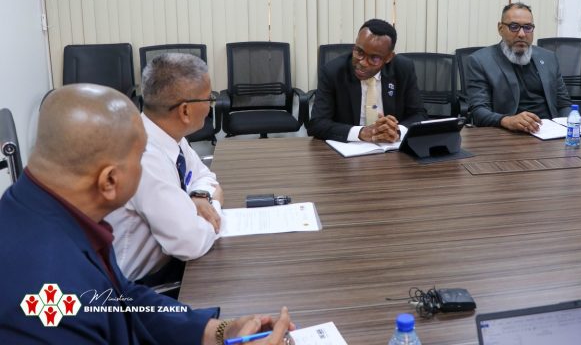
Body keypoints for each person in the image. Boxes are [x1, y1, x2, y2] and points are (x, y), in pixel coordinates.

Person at [0, 84, 293, 344]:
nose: (148, 164)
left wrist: (217, 331)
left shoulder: (48, 208)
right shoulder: (47, 288)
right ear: (110, 180)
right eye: (141, 157)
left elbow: (122, 299)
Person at [106, 53, 223, 285]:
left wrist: (200, 197)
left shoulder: (165, 134)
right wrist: (215, 207)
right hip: (137, 287)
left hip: (170, 259)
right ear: (185, 111)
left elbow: (204, 176)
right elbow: (190, 243)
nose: (211, 105)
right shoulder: (143, 158)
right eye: (209, 98)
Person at [307, 18, 428, 142]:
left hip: (390, 147)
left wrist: (397, 131)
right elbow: (317, 124)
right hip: (349, 147)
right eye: (359, 52)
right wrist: (360, 132)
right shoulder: (333, 71)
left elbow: (419, 114)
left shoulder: (403, 69)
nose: (363, 62)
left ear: (388, 57)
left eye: (374, 58)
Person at [466, 2, 572, 132]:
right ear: (500, 28)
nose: (522, 34)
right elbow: (478, 111)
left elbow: (563, 104)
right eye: (514, 27)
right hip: (508, 133)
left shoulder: (549, 58)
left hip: (549, 132)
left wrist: (567, 128)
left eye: (528, 27)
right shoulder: (480, 61)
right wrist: (507, 121)